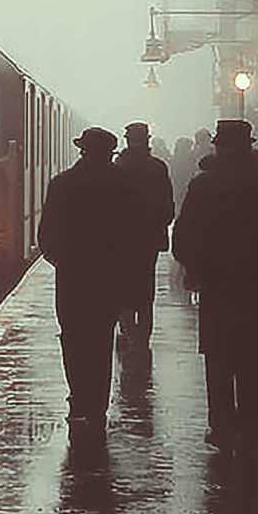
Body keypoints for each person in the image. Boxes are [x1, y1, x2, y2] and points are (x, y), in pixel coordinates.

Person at [172, 119, 258, 458]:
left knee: (219, 358)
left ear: (217, 146)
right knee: (255, 359)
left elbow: (183, 239)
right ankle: (251, 426)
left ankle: (222, 425)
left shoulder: (204, 186)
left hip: (218, 286)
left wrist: (194, 269)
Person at [38, 127, 144, 447]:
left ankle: (78, 399)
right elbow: (133, 235)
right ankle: (97, 406)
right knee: (101, 340)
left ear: (81, 150)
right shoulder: (124, 185)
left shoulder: (62, 184)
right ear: (110, 153)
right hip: (109, 277)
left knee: (72, 338)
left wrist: (63, 261)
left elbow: (46, 236)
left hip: (72, 276)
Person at [114, 122, 175, 350]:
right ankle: (144, 330)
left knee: (122, 281)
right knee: (146, 281)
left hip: (121, 237)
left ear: (127, 140)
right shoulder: (158, 168)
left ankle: (127, 324)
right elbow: (168, 206)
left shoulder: (118, 167)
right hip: (149, 237)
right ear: (147, 140)